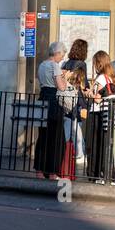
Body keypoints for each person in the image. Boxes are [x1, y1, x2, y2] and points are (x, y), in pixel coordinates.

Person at [35, 42, 69, 178]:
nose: (63, 58)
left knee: (43, 137)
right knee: (56, 138)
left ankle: (39, 171)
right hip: (53, 102)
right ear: (57, 53)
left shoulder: (42, 64)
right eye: (62, 54)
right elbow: (61, 87)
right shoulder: (55, 65)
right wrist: (65, 77)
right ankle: (53, 172)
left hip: (42, 98)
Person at [86, 51, 115, 183]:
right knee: (106, 144)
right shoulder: (110, 77)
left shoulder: (100, 78)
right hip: (108, 114)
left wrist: (88, 93)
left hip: (97, 113)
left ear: (98, 63)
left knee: (96, 144)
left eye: (95, 63)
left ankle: (97, 174)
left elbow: (97, 99)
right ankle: (108, 175)